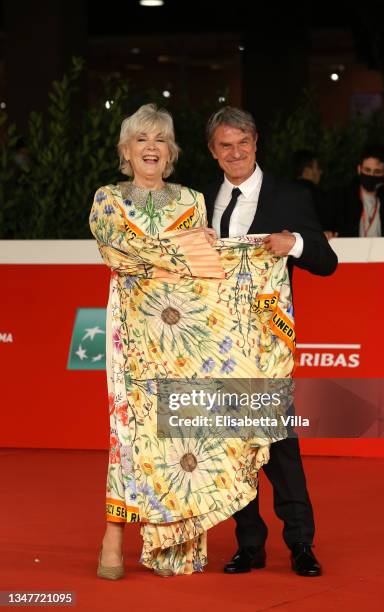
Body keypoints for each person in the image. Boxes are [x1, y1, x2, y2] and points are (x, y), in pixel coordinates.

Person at [89, 103, 298, 579]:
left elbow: (207, 268)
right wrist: (187, 250)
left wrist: (227, 248)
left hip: (190, 337)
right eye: (141, 140)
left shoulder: (191, 201)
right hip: (134, 330)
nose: (151, 149)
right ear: (126, 150)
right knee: (128, 432)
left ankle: (174, 540)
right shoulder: (108, 198)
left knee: (184, 433)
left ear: (172, 152)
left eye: (160, 140)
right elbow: (121, 251)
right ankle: (115, 533)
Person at [204, 106, 338, 577]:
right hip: (215, 344)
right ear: (213, 152)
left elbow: (327, 260)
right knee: (232, 446)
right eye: (225, 145)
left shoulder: (290, 195)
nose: (235, 152)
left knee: (280, 444)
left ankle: (301, 543)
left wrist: (296, 243)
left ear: (256, 142)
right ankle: (249, 544)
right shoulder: (200, 202)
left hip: (267, 344)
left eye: (243, 142)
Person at [336, 145, 384, 237]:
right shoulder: (342, 197)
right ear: (359, 169)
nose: (371, 175)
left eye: (377, 172)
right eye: (367, 170)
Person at [292, 149, 338, 240]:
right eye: (317, 168)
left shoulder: (282, 193)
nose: (320, 172)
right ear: (307, 171)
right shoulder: (319, 195)